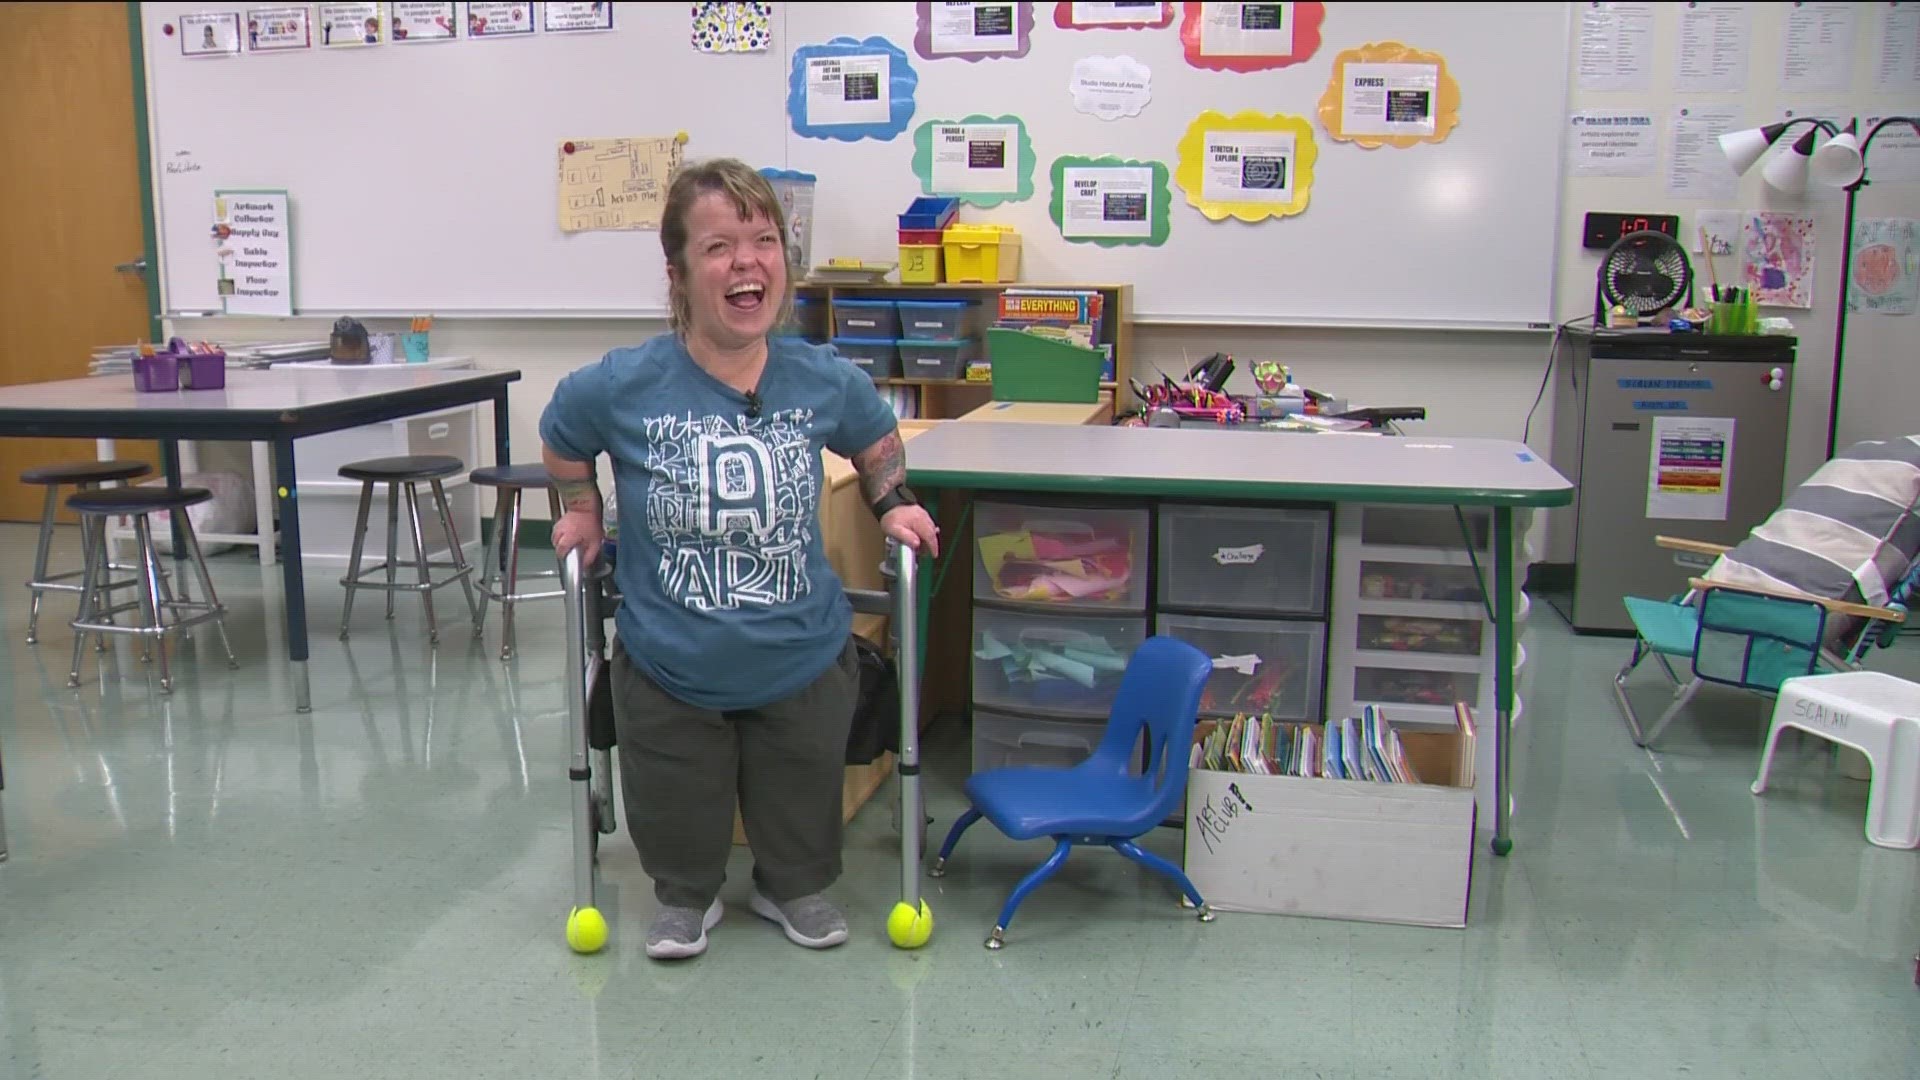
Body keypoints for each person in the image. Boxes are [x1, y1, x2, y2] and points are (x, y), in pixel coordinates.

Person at [539, 158, 939, 960]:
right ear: (680, 271)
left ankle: (791, 884)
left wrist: (895, 501)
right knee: (676, 807)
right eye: (720, 246)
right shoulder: (625, 383)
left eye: (764, 240)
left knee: (800, 807)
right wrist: (582, 511)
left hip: (800, 649)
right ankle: (686, 894)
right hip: (670, 655)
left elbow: (875, 438)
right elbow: (561, 432)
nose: (748, 262)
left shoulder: (821, 377)